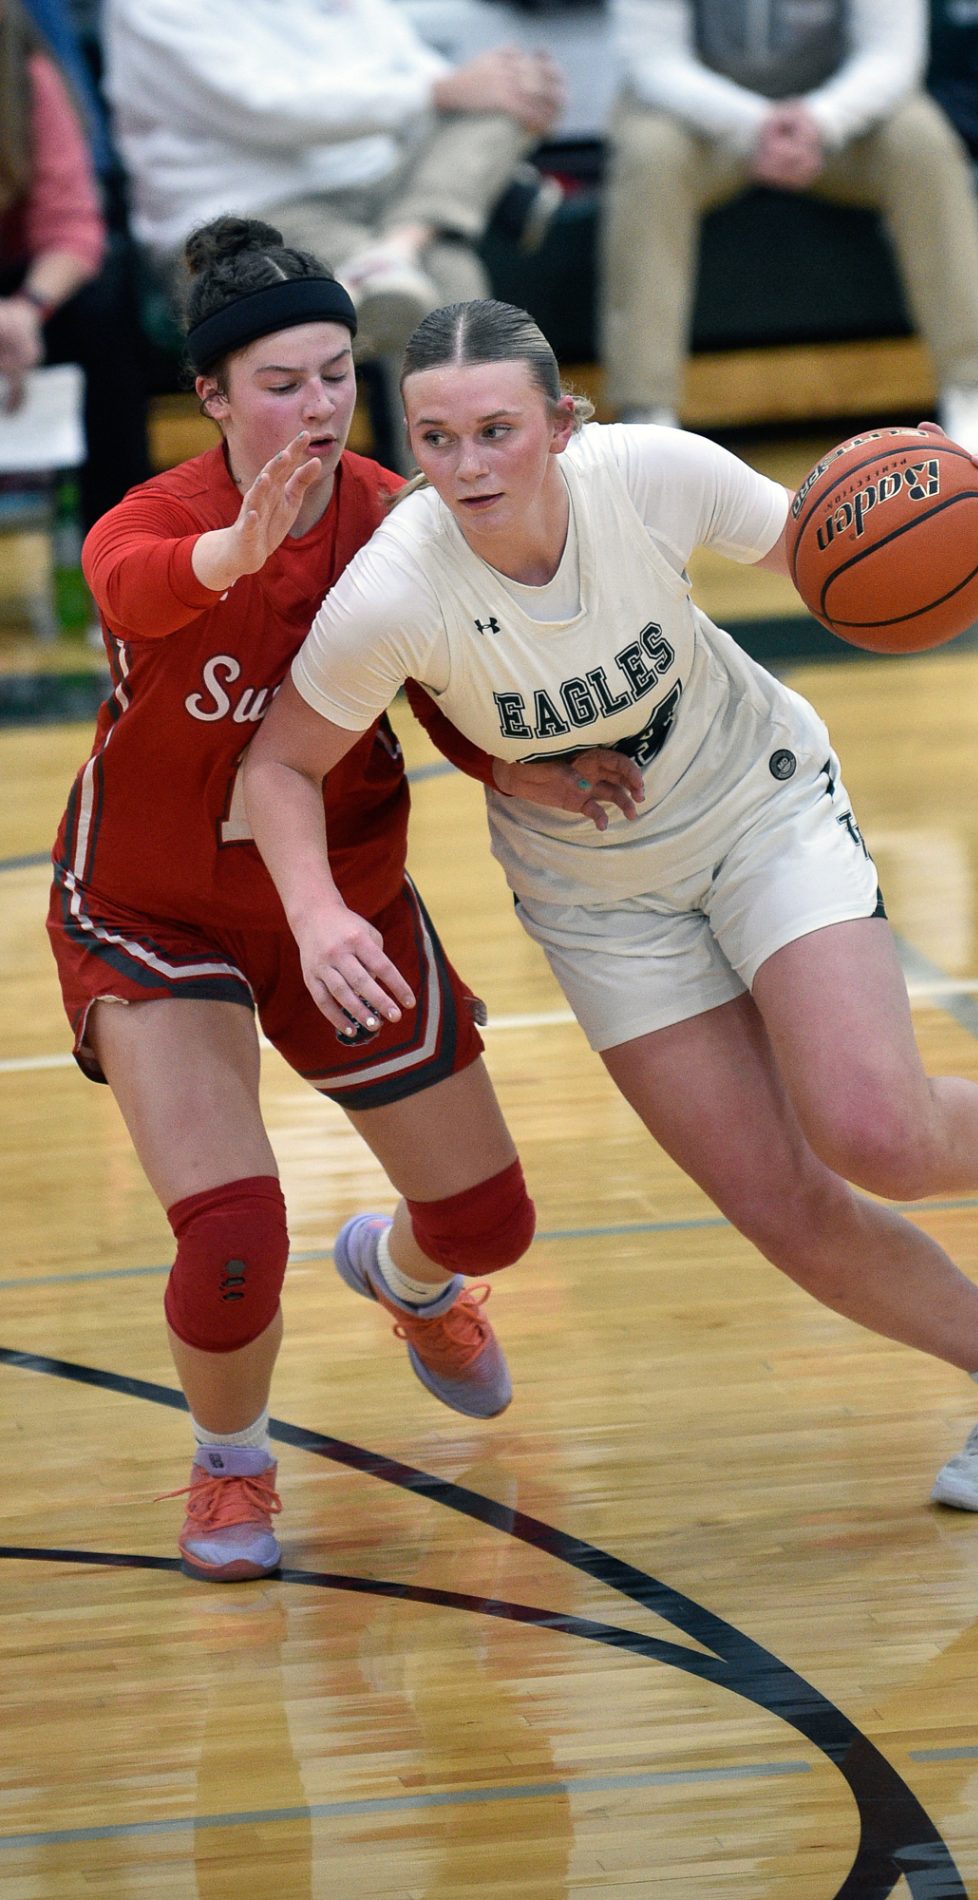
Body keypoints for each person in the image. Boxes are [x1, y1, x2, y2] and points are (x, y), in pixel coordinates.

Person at [244, 296, 978, 1516]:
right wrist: (317, 913)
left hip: (757, 805)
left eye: (496, 431)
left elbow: (826, 546)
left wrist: (964, 512)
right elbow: (279, 766)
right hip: (596, 890)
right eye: (435, 439)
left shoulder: (650, 474)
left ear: (561, 422)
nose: (467, 466)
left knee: (876, 1132)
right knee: (779, 1204)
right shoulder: (396, 588)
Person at [44, 227, 636, 1585]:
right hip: (153, 908)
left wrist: (518, 769)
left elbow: (446, 680)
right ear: (211, 395)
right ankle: (231, 1463)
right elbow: (130, 589)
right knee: (233, 1232)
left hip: (342, 897)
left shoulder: (395, 515)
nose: (317, 406)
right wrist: (231, 554)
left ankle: (409, 1278)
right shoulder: (152, 524)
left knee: (491, 1223)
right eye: (280, 384)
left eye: (334, 376)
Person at [102, 0, 563, 464]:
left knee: (499, 105)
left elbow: (418, 68)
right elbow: (265, 109)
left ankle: (400, 244)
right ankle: (463, 498)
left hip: (378, 184)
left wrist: (503, 87)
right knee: (449, 293)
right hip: (241, 214)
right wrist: (441, 91)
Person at [599, 0, 978, 461]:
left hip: (836, 115)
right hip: (698, 119)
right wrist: (755, 124)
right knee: (650, 155)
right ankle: (648, 408)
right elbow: (654, 62)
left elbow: (892, 56)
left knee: (922, 143)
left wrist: (819, 121)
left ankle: (970, 387)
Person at [0, 0, 150, 523]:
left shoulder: (25, 78)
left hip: (22, 280)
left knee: (100, 310)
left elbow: (71, 225)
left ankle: (120, 534)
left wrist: (26, 309)